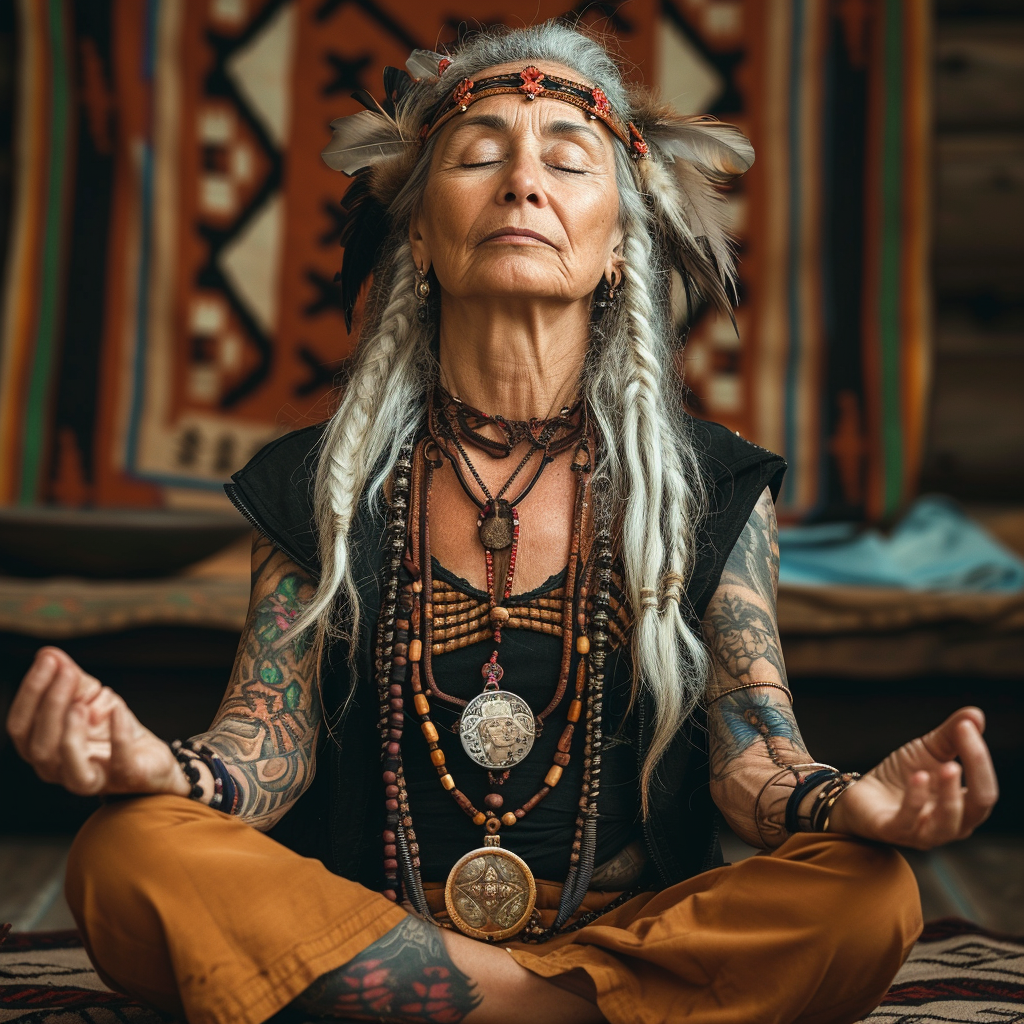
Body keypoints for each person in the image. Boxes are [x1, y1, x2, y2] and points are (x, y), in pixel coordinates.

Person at [6, 22, 997, 1024]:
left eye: (568, 161)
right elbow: (267, 742)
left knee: (871, 891)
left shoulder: (705, 486)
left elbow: (756, 757)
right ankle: (556, 1012)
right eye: (478, 156)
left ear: (618, 249)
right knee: (127, 849)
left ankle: (440, 1006)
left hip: (618, 929)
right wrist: (156, 766)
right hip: (376, 922)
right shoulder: (321, 481)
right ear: (423, 240)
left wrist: (851, 803)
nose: (522, 183)